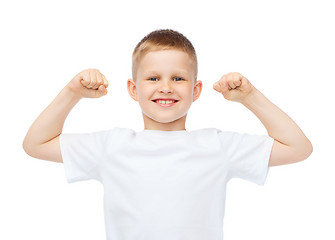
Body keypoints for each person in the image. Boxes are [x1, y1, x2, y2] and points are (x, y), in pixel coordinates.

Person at [22, 29, 313, 240]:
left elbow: (298, 148)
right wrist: (72, 93)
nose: (165, 87)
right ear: (133, 89)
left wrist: (250, 97)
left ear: (195, 89)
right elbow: (35, 144)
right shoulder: (111, 145)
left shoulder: (216, 145)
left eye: (178, 78)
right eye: (153, 78)